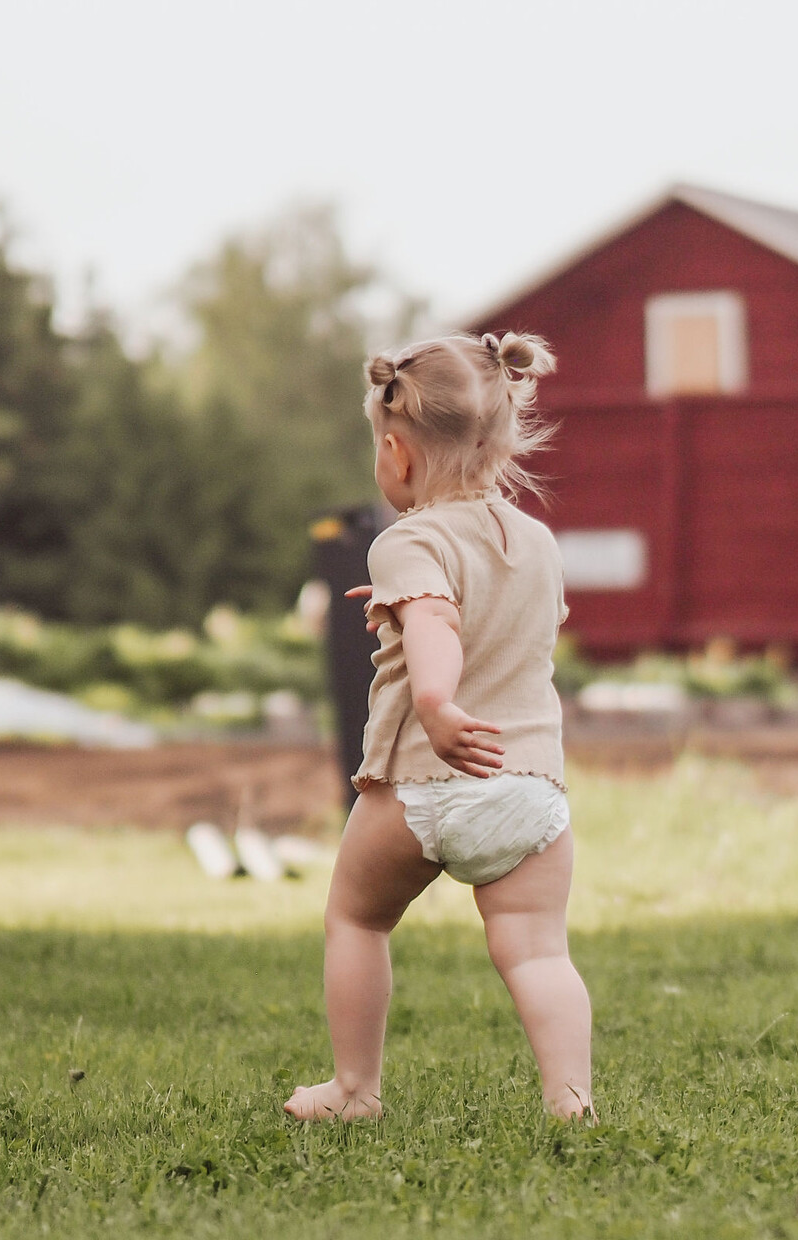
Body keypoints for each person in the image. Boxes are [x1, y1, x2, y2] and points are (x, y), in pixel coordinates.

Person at [283, 332, 593, 1123]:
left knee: (357, 916)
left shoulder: (408, 539)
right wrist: (401, 613)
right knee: (538, 950)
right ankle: (571, 1101)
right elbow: (492, 619)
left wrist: (435, 703)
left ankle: (354, 1091)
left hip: (423, 779)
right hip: (526, 790)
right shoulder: (539, 541)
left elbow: (439, 624)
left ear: (398, 452)